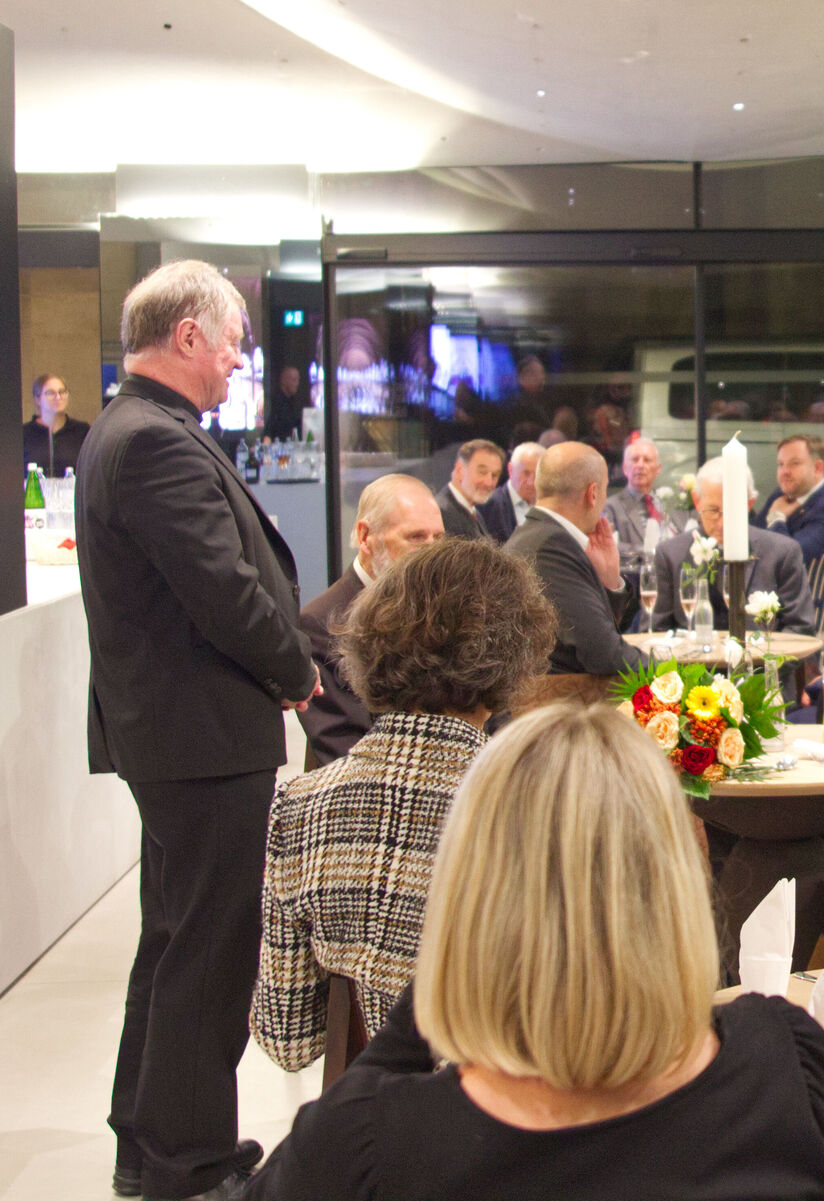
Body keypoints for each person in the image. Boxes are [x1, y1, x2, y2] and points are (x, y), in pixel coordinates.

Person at [245, 701, 824, 1201]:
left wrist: (442, 974)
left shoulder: (374, 1147)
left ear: (467, 893)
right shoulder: (782, 1063)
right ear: (677, 880)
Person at [78, 259, 320, 1201]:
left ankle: (147, 1145)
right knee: (208, 954)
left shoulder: (130, 428)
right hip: (202, 735)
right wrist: (296, 672)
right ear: (186, 338)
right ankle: (189, 1165)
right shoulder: (155, 441)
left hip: (176, 734)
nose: (236, 362)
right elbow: (222, 589)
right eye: (230, 343)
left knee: (173, 941)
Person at [253, 538, 555, 1072]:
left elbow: (288, 1039)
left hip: (373, 1129)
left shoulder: (299, 805)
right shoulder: (542, 804)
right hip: (522, 1123)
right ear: (514, 657)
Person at [297, 475, 444, 767]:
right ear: (365, 537)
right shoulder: (323, 623)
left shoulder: (442, 605)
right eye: (416, 537)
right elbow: (344, 747)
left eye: (438, 538)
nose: (433, 552)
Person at [504, 442, 651, 687]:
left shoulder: (534, 534)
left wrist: (609, 581)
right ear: (593, 493)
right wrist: (671, 670)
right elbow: (603, 654)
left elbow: (593, 633)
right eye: (605, 490)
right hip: (555, 708)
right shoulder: (552, 545)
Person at [650, 458, 817, 635]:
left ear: (749, 504)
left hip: (761, 661)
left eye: (732, 511)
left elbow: (800, 629)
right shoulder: (670, 554)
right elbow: (657, 632)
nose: (722, 524)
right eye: (713, 511)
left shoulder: (782, 553)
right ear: (697, 501)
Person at [756, 433, 824, 563]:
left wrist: (776, 517)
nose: (785, 471)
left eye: (795, 463)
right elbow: (752, 534)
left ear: (817, 468)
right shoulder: (780, 495)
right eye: (781, 464)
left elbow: (789, 557)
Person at [600, 435, 666, 559]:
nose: (640, 465)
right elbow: (609, 544)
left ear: (657, 469)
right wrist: (649, 551)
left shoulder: (665, 504)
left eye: (646, 460)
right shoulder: (610, 507)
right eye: (635, 460)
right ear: (625, 468)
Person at [24, 372, 91, 477]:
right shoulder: (24, 433)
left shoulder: (82, 430)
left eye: (62, 392)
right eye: (50, 393)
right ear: (37, 399)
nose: (58, 397)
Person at [435, 439, 503, 540]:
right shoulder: (442, 514)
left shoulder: (474, 512)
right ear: (459, 470)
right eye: (482, 472)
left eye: (494, 475)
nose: (489, 482)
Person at [475, 441, 542, 543]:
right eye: (526, 473)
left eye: (537, 475)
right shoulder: (489, 504)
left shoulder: (546, 506)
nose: (531, 482)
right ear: (511, 470)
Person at [262, 365, 307, 443]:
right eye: (293, 380)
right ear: (283, 381)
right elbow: (268, 431)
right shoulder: (275, 403)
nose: (297, 384)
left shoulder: (292, 402)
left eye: (298, 380)